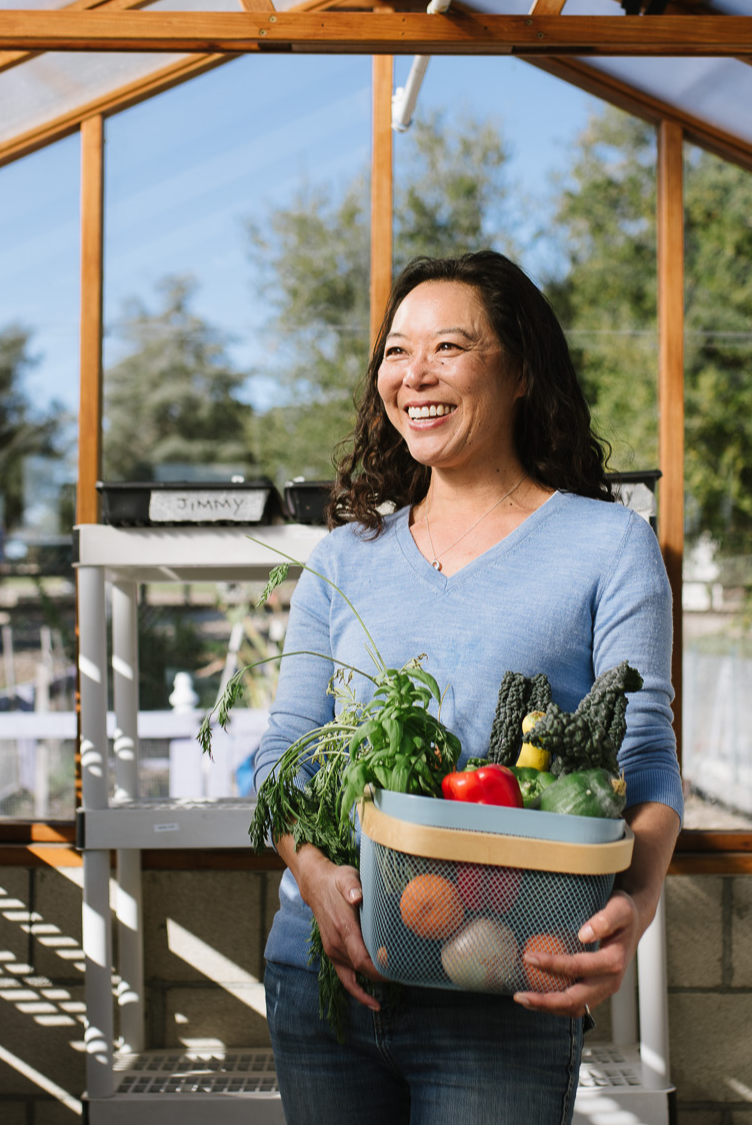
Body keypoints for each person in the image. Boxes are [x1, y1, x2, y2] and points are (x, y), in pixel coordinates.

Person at [254, 250, 681, 1124]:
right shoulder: (342, 558)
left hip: (503, 972)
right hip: (324, 974)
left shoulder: (606, 545)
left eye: (449, 346)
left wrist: (631, 911)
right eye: (397, 352)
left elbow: (645, 765)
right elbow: (279, 755)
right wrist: (318, 873)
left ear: (521, 370)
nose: (415, 375)